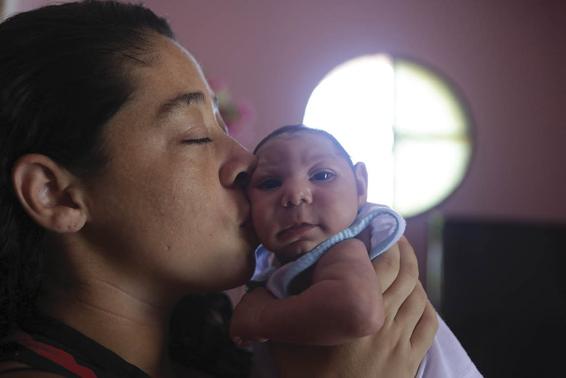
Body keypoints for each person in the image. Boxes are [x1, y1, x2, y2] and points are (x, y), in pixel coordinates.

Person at [0, 1, 437, 377]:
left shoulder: (216, 358)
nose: (248, 163)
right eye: (195, 135)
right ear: (55, 194)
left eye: (224, 126)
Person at [230, 125, 483, 377]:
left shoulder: (346, 247)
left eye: (322, 176)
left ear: (360, 186)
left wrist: (262, 317)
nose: (296, 195)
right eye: (270, 182)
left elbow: (359, 312)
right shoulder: (276, 267)